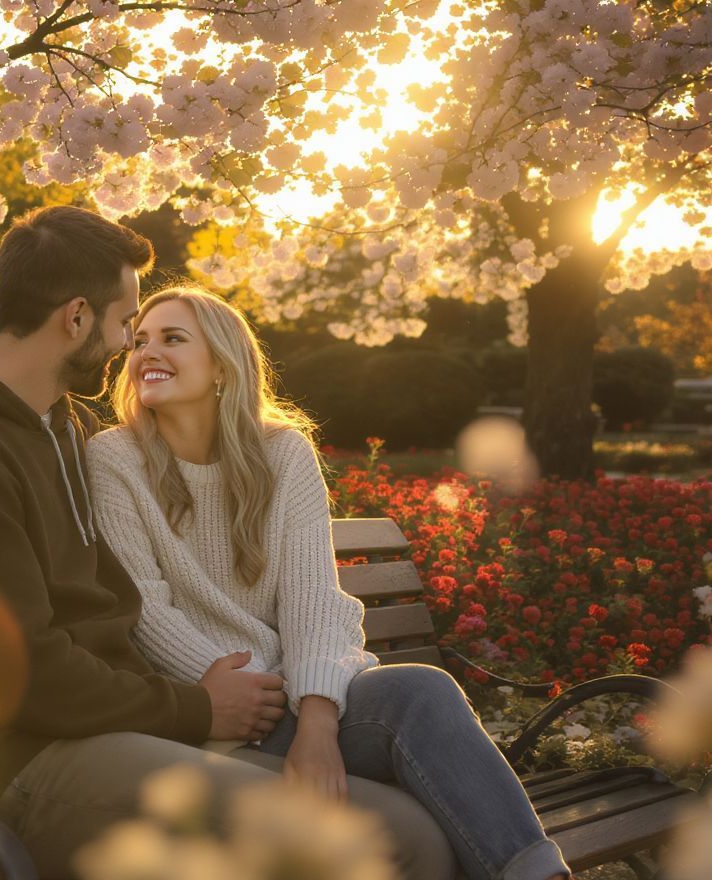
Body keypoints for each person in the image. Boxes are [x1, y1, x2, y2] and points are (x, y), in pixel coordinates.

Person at [0, 206, 455, 878]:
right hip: (22, 765)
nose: (128, 346)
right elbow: (16, 671)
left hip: (118, 730)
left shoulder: (63, 428)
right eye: (125, 324)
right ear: (77, 318)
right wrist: (198, 706)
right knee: (388, 843)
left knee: (412, 826)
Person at [86, 285, 573, 880]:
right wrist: (232, 697)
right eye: (138, 341)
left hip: (299, 698)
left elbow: (314, 600)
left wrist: (316, 718)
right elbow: (144, 606)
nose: (145, 353)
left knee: (422, 690)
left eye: (172, 338)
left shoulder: (282, 453)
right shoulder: (114, 459)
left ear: (221, 364)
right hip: (211, 711)